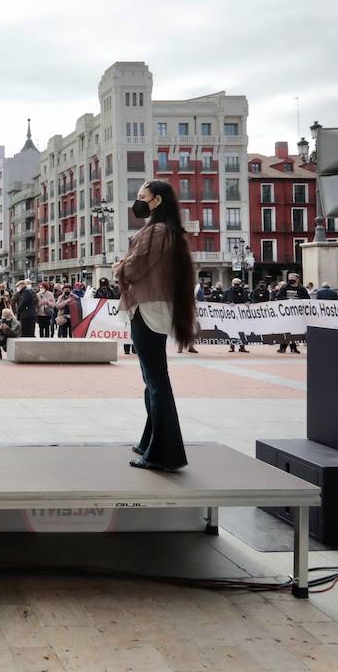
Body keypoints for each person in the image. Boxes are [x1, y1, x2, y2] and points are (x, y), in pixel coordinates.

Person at [112, 180, 195, 473]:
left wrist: (120, 267)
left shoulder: (156, 231)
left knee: (156, 382)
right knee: (153, 381)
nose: (137, 202)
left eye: (141, 197)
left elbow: (134, 268)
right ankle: (150, 442)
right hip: (153, 307)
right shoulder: (165, 231)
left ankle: (163, 453)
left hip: (146, 309)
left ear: (156, 201)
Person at [273, 274, 309, 354]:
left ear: (297, 279)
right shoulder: (285, 287)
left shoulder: (302, 289)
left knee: (295, 331)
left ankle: (294, 347)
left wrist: (299, 302)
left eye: (292, 279)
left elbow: (307, 299)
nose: (291, 280)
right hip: (286, 313)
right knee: (286, 329)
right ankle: (283, 347)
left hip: (297, 313)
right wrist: (288, 300)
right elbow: (278, 297)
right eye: (289, 279)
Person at [225, 278, 250, 353]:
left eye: (238, 284)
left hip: (241, 315)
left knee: (242, 331)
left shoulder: (243, 291)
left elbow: (248, 300)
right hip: (231, 315)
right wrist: (229, 303)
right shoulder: (228, 291)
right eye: (235, 284)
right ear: (232, 284)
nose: (236, 286)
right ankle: (232, 347)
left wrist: (247, 302)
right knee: (232, 331)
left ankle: (242, 347)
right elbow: (222, 301)